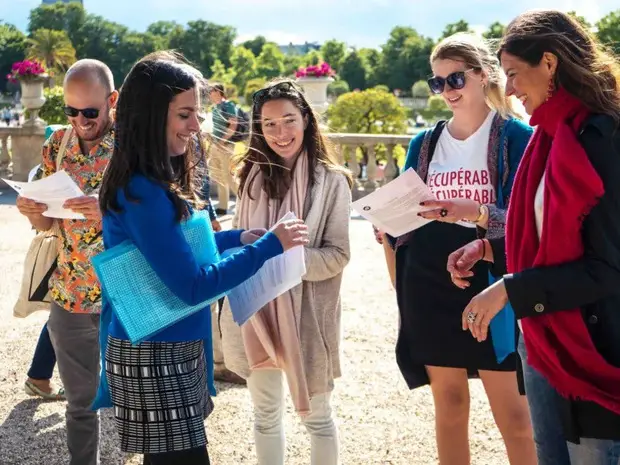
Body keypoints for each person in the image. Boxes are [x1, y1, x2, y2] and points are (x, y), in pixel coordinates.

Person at [97, 51, 309, 465]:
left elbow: (173, 247)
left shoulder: (147, 180)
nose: (197, 126)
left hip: (164, 348)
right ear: (151, 114)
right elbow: (193, 285)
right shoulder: (144, 191)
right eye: (185, 114)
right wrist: (266, 247)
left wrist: (234, 237)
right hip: (157, 355)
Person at [448, 10, 620, 464]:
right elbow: (549, 241)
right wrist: (490, 249)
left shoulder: (603, 137)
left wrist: (510, 288)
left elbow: (608, 268)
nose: (509, 90)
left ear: (549, 63)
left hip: (597, 351)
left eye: (514, 75)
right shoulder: (549, 136)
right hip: (544, 340)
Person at [381, 33, 536, 465]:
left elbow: (529, 222)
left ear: (484, 74)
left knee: (516, 416)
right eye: (437, 83)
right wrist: (390, 228)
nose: (447, 91)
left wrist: (477, 211)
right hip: (429, 277)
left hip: (492, 274)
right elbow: (409, 213)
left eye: (455, 79)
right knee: (448, 406)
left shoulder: (517, 138)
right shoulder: (423, 143)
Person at [219, 79, 352, 465]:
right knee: (264, 416)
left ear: (307, 120)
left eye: (289, 120)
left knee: (319, 420)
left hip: (307, 317)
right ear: (258, 128)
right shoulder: (251, 177)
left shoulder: (332, 182)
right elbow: (242, 241)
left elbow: (339, 254)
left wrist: (289, 260)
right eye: (269, 124)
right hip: (256, 312)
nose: (281, 133)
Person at [15, 59, 117, 465]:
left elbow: (161, 219)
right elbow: (46, 223)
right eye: (71, 111)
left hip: (124, 296)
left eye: (90, 112)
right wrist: (31, 210)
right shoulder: (56, 145)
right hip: (70, 294)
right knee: (80, 404)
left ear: (112, 101)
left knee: (141, 401)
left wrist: (109, 213)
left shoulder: (135, 147)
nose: (79, 120)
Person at [208, 83, 239, 214]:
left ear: (218, 92)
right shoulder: (215, 108)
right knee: (219, 176)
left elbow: (233, 125)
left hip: (226, 146)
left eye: (212, 91)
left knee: (228, 176)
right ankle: (223, 206)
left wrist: (222, 140)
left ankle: (246, 200)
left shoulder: (229, 106)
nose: (209, 94)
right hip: (215, 145)